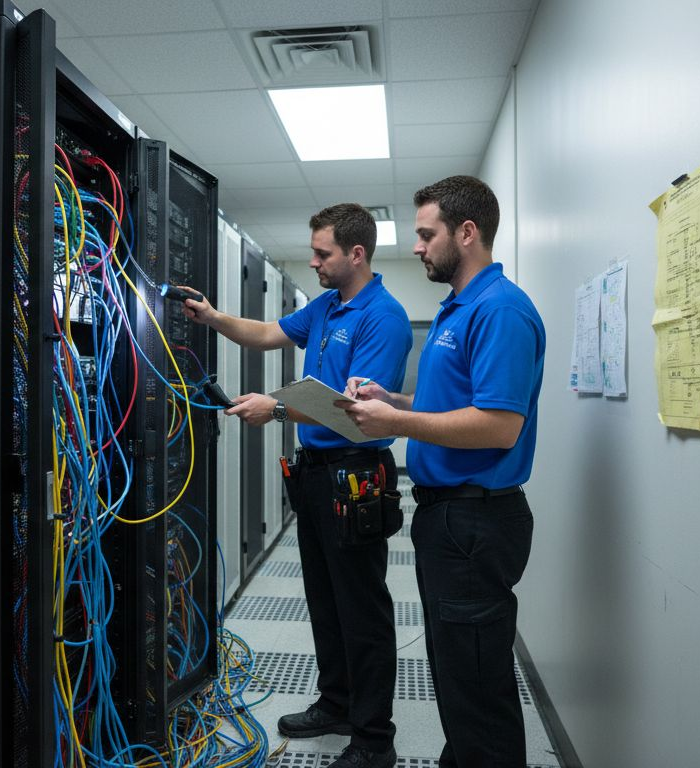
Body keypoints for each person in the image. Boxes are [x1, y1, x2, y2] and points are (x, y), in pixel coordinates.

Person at [180, 203, 411, 768]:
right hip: (314, 474)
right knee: (325, 600)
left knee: (362, 610)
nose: (313, 262)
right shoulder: (328, 307)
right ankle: (336, 703)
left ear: (356, 253)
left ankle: (374, 738)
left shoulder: (384, 317)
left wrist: (277, 410)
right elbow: (265, 333)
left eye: (322, 253)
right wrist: (213, 319)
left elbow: (357, 411)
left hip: (355, 474)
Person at [340, 176, 545, 767]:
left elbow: (498, 425)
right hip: (450, 519)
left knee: (478, 687)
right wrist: (393, 401)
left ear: (467, 232)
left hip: (476, 522)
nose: (418, 247)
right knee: (459, 675)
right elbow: (454, 407)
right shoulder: (458, 307)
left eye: (427, 235)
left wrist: (395, 426)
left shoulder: (499, 309)